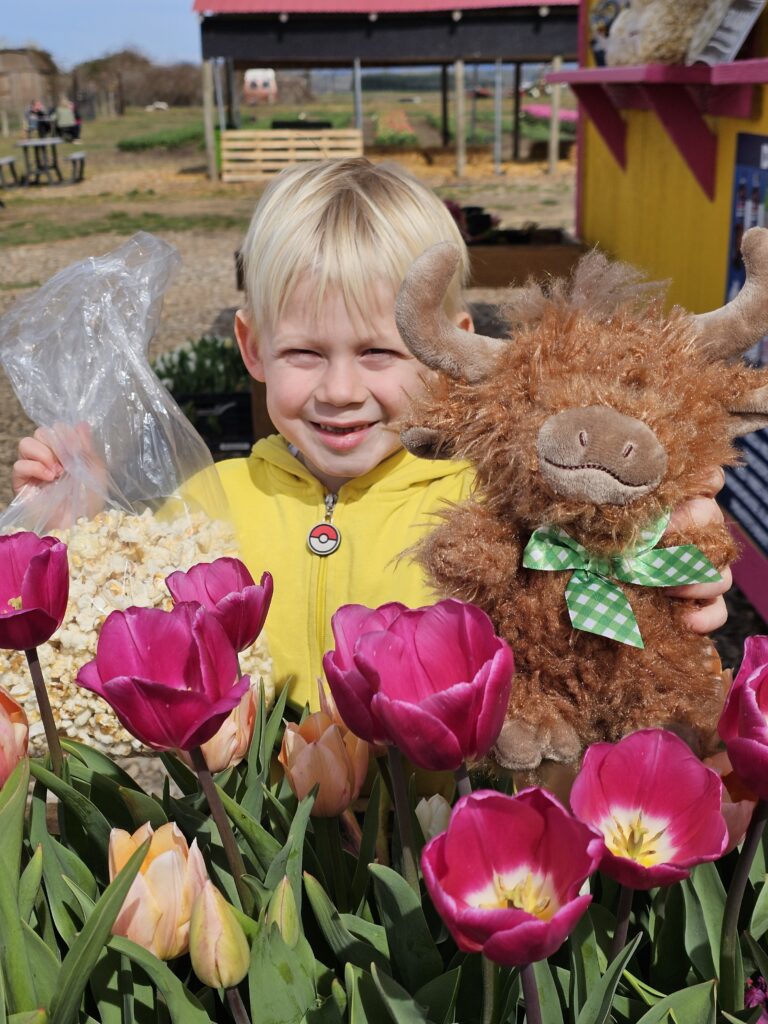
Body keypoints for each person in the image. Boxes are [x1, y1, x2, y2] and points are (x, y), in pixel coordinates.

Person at [12, 158, 730, 710]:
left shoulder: (498, 510)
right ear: (252, 347)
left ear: (450, 349)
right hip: (252, 854)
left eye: (379, 353)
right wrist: (78, 536)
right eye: (304, 353)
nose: (341, 391)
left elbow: (595, 602)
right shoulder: (205, 505)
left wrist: (671, 572)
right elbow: (130, 639)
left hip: (427, 853)